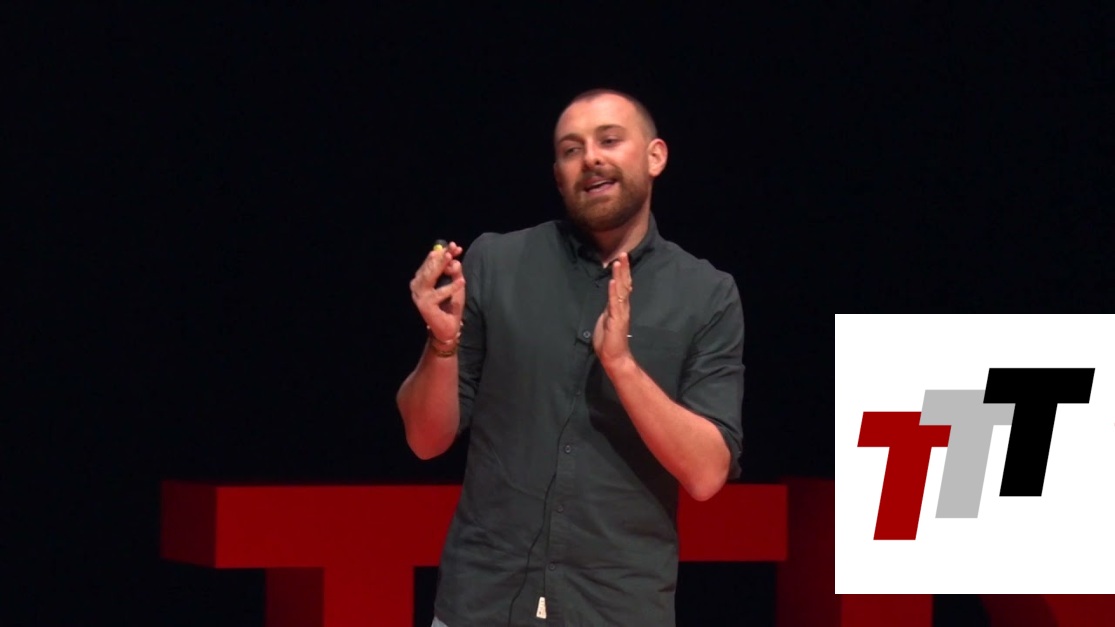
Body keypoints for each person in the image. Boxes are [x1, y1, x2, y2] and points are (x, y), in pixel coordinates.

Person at [396, 88, 745, 627]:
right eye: (571, 150)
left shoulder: (706, 294)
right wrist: (441, 344)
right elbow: (425, 440)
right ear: (558, 175)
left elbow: (706, 474)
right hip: (482, 604)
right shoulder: (496, 263)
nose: (591, 159)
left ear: (655, 156)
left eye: (609, 140)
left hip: (617, 609)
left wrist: (622, 366)